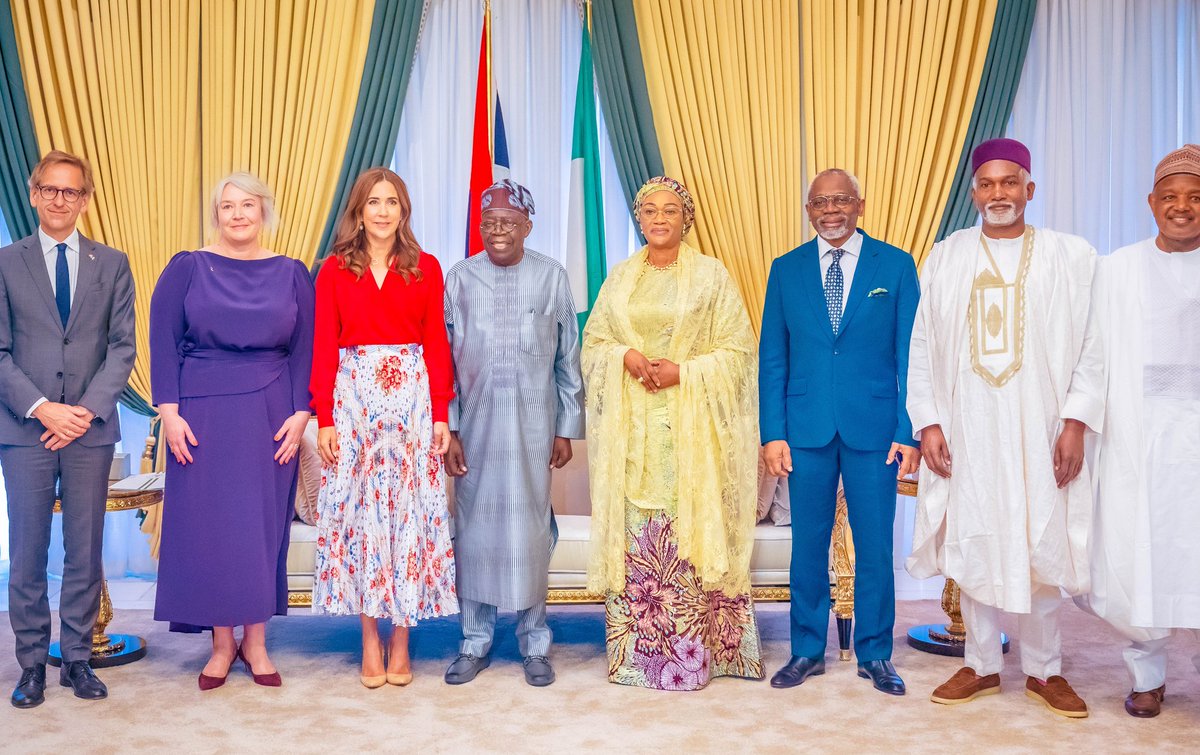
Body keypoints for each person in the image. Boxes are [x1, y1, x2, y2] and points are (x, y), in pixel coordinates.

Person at [907, 138, 1101, 718]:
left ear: (1029, 189)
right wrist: (930, 421)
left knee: (1038, 536)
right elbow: (923, 344)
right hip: (969, 430)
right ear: (974, 191)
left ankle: (1046, 671)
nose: (999, 194)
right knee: (977, 536)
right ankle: (982, 664)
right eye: (988, 184)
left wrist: (1075, 422)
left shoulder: (1070, 257)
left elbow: (1093, 345)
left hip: (1041, 427)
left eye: (1010, 183)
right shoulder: (946, 257)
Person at [582, 176, 763, 691]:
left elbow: (738, 353)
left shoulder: (710, 277)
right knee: (641, 537)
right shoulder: (620, 279)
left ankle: (700, 659)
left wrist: (685, 372)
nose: (659, 219)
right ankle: (637, 662)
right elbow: (593, 344)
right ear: (639, 220)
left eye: (670, 210)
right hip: (633, 433)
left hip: (692, 434)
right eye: (649, 211)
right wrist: (627, 356)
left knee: (690, 537)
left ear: (686, 218)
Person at [150, 172, 313, 690]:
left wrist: (301, 412)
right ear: (216, 215)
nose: (237, 214)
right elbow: (162, 339)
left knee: (260, 527)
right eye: (227, 207)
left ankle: (258, 643)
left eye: (247, 204)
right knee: (213, 529)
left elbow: (306, 348)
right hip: (199, 412)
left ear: (264, 211)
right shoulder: (187, 267)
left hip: (271, 413)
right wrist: (169, 412)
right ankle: (222, 644)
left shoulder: (292, 273)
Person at [759, 168, 920, 695]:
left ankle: (875, 654)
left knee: (874, 546)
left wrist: (907, 428)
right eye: (820, 202)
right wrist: (772, 433)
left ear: (860, 205)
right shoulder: (785, 270)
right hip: (804, 431)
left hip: (876, 430)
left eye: (841, 200)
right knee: (806, 545)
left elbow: (909, 357)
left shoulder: (894, 266)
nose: (831, 210)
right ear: (809, 210)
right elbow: (773, 360)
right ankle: (806, 650)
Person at [310, 167, 458, 688]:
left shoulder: (426, 267)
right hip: (353, 403)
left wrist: (441, 413)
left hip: (411, 401)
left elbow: (438, 344)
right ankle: (369, 638)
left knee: (408, 517)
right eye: (373, 201)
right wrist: (324, 418)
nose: (382, 211)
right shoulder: (332, 270)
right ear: (359, 209)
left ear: (403, 210)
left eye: (391, 201)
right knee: (361, 515)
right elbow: (323, 344)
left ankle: (402, 639)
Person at [0, 150, 135, 708]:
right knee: (28, 550)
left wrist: (82, 411)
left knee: (86, 549)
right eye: (50, 190)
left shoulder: (113, 263)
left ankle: (78, 659)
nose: (60, 200)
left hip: (91, 429)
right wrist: (41, 408)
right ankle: (31, 664)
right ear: (34, 195)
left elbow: (123, 347)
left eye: (72, 192)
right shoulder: (6, 262)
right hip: (24, 429)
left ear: (85, 200)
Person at [1073, 144, 1200, 718]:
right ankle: (1146, 677)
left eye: (1195, 197)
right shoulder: (1117, 267)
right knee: (1139, 558)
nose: (1182, 207)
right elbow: (1093, 355)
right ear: (1151, 203)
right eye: (1170, 197)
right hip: (1137, 438)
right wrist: (1078, 423)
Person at [441, 180, 584, 687]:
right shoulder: (458, 279)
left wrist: (567, 428)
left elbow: (568, 359)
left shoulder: (551, 278)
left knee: (529, 532)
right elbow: (443, 365)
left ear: (528, 225)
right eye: (489, 222)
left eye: (508, 222)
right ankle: (473, 642)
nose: (497, 231)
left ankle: (535, 644)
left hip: (533, 428)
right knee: (474, 533)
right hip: (474, 432)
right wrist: (450, 429)